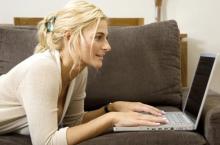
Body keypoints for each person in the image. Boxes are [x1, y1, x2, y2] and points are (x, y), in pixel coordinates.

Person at [0, 0, 169, 145]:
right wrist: (112, 119)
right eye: (98, 37)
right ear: (69, 37)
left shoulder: (78, 70)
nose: (107, 46)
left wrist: (110, 108)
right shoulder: (43, 68)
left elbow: (75, 122)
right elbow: (47, 142)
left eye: (106, 38)